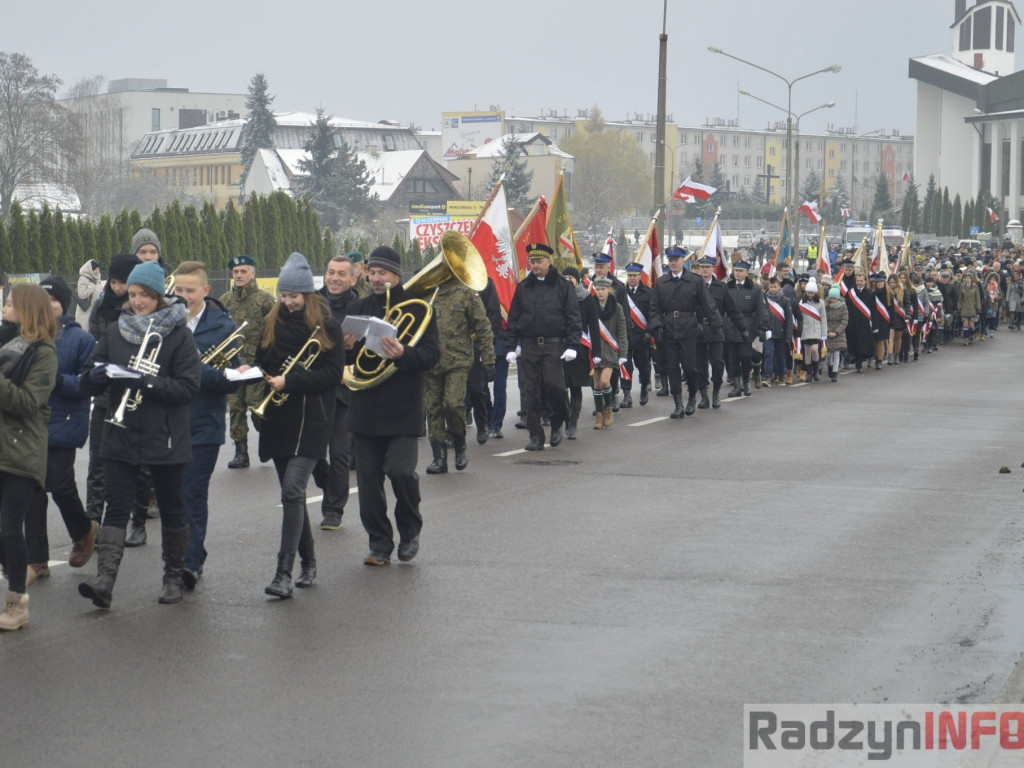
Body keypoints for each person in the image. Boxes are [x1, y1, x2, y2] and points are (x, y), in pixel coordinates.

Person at [78, 260, 200, 609]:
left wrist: (144, 380)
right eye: (132, 294)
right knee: (116, 508)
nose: (137, 301)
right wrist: (96, 378)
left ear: (158, 295)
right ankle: (104, 583)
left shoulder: (178, 334)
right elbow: (90, 372)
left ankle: (173, 578)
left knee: (173, 508)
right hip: (121, 434)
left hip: (166, 439)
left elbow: (189, 388)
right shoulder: (115, 331)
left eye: (145, 294)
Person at [254, 252, 344, 596]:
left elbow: (332, 375)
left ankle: (283, 575)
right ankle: (308, 563)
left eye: (294, 296)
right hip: (278, 419)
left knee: (293, 490)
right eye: (284, 295)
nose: (288, 301)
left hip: (312, 419)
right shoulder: (271, 321)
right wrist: (252, 375)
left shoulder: (327, 325)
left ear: (307, 294)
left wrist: (289, 382)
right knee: (292, 496)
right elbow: (263, 362)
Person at [345, 246, 440, 565]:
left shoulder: (418, 308)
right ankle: (379, 543)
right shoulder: (358, 308)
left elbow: (431, 356)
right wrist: (345, 348)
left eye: (382, 273)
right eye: (371, 272)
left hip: (402, 407)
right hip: (365, 407)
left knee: (401, 472)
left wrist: (403, 354)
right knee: (369, 483)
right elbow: (345, 362)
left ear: (396, 274)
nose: (375, 278)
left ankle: (410, 532)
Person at [172, 261, 243, 591]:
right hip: (168, 423)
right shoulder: (164, 321)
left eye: (189, 290)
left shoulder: (223, 326)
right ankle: (188, 552)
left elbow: (233, 379)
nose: (183, 296)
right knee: (173, 496)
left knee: (192, 493)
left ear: (205, 291)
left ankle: (189, 563)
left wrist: (195, 371)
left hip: (204, 424)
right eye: (178, 290)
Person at [23, 277, 97, 590]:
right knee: (32, 492)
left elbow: (88, 383)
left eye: (52, 301)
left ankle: (84, 531)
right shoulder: (25, 336)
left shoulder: (80, 339)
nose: (47, 307)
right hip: (30, 423)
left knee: (60, 484)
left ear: (62, 304)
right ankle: (37, 559)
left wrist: (54, 380)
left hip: (65, 421)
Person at [0, 284, 58, 631]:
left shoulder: (44, 352)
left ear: (27, 310)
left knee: (9, 528)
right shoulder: (7, 343)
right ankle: (17, 575)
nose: (4, 307)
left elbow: (26, 402)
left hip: (22, 449)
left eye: (9, 303)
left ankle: (16, 605)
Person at [505, 243, 582, 450]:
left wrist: (572, 345)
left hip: (554, 345)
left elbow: (573, 317)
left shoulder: (562, 286)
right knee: (531, 392)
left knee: (554, 386)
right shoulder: (523, 288)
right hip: (529, 346)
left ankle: (557, 421)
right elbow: (514, 319)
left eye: (539, 261)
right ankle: (535, 436)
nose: (535, 265)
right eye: (532, 262)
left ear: (549, 261)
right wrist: (512, 347)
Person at [84, 254, 140, 525]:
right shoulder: (100, 306)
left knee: (132, 463)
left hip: (134, 396)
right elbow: (95, 342)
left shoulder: (140, 309)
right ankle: (92, 521)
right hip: (105, 394)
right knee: (97, 460)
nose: (118, 288)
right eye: (115, 282)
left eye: (124, 283)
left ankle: (132, 515)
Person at [424, 277, 494, 474]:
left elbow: (482, 326)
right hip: (430, 362)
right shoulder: (426, 294)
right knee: (434, 410)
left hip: (458, 361)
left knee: (453, 404)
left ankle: (460, 443)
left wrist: (488, 358)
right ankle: (439, 458)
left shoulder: (465, 293)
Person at [649, 246, 721, 420]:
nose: (673, 263)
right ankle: (678, 404)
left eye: (676, 260)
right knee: (672, 367)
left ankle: (692, 395)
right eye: (670, 260)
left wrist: (716, 324)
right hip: (668, 329)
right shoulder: (661, 282)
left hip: (689, 328)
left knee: (689, 367)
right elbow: (654, 307)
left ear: (683, 261)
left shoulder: (694, 281)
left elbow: (707, 304)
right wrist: (656, 326)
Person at [312, 254, 357, 530]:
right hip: (314, 387)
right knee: (313, 451)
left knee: (340, 452)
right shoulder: (312, 303)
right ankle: (327, 482)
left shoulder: (361, 307)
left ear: (353, 278)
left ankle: (333, 510)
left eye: (341, 274)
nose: (335, 278)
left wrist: (354, 347)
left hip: (344, 390)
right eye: (331, 272)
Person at [219, 255, 275, 469]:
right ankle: (241, 452)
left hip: (257, 366)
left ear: (253, 274)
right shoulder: (225, 301)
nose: (239, 275)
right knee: (235, 408)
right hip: (233, 364)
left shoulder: (265, 300)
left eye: (243, 271)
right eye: (236, 272)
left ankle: (268, 443)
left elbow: (274, 330)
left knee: (257, 408)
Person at [694, 255, 744, 409]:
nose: (704, 270)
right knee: (700, 365)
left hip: (716, 330)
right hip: (698, 330)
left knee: (717, 362)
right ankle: (703, 395)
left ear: (713, 268)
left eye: (707, 267)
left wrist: (742, 328)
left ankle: (715, 393)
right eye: (702, 267)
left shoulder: (721, 288)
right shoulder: (692, 286)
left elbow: (732, 310)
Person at [560, 267, 599, 439]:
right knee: (560, 388)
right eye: (565, 277)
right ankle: (565, 419)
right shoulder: (557, 297)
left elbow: (594, 327)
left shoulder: (586, 298)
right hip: (560, 347)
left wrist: (596, 352)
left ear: (577, 279)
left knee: (575, 386)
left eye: (571, 277)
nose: (568, 280)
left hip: (580, 348)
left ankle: (573, 422)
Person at [723, 260, 768, 397]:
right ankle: (737, 385)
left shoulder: (754, 289)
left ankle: (746, 382)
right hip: (730, 325)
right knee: (732, 358)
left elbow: (761, 309)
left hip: (747, 325)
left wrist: (763, 327)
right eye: (736, 270)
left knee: (746, 356)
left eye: (741, 271)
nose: (738, 273)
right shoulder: (727, 287)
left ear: (747, 273)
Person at [590, 276, 628, 429]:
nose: (600, 292)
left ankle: (608, 410)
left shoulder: (617, 307)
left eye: (603, 289)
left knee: (605, 382)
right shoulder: (591, 306)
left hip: (611, 350)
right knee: (597, 385)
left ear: (609, 290)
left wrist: (623, 354)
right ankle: (599, 417)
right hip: (595, 350)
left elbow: (622, 331)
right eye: (597, 289)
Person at [621, 262, 653, 407]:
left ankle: (644, 388)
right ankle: (626, 395)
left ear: (640, 276)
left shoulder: (648, 293)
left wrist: (649, 332)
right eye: (629, 276)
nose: (632, 278)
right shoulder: (621, 293)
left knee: (643, 366)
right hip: (626, 335)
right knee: (625, 366)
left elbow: (653, 315)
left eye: (634, 275)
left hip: (642, 336)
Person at [796, 278, 827, 382]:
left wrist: (824, 333)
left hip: (816, 330)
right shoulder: (801, 303)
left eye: (812, 293)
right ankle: (809, 373)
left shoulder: (821, 302)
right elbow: (799, 318)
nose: (810, 295)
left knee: (814, 350)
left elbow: (823, 318)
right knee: (807, 352)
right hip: (805, 330)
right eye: (808, 292)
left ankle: (816, 370)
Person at [763, 276, 791, 387]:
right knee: (768, 354)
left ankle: (780, 375)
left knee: (780, 355)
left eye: (775, 287)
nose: (773, 289)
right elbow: (762, 315)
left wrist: (788, 335)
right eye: (771, 287)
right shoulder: (764, 300)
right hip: (768, 332)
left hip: (781, 332)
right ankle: (768, 376)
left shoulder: (785, 301)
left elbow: (788, 319)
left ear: (779, 287)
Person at [844, 271, 876, 372]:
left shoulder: (870, 294)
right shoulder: (850, 293)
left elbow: (873, 310)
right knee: (853, 343)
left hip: (864, 323)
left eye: (861, 281)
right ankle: (854, 357)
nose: (859, 282)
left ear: (865, 281)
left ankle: (859, 364)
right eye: (858, 281)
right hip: (852, 323)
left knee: (863, 344)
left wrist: (875, 324)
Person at [824, 284, 848, 382]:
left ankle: (835, 372)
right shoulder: (826, 306)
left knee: (837, 353)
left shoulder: (843, 307)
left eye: (834, 298)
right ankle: (830, 366)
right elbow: (824, 319)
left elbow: (844, 321)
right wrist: (828, 331)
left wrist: (837, 332)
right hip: (828, 332)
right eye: (831, 298)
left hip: (839, 333)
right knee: (829, 354)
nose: (832, 300)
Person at [75, 258, 103, 328]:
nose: (96, 271)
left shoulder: (97, 279)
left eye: (97, 269)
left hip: (94, 311)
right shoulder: (83, 279)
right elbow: (81, 295)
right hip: (84, 313)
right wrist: (92, 285)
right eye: (95, 269)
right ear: (90, 269)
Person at [957, 270, 983, 344]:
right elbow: (960, 299)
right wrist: (959, 307)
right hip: (964, 307)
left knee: (971, 325)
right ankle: (966, 339)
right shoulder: (962, 287)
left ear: (971, 279)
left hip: (973, 308)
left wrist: (979, 308)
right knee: (965, 324)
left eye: (969, 278)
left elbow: (978, 298)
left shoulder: (975, 287)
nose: (967, 279)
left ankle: (972, 336)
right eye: (966, 278)